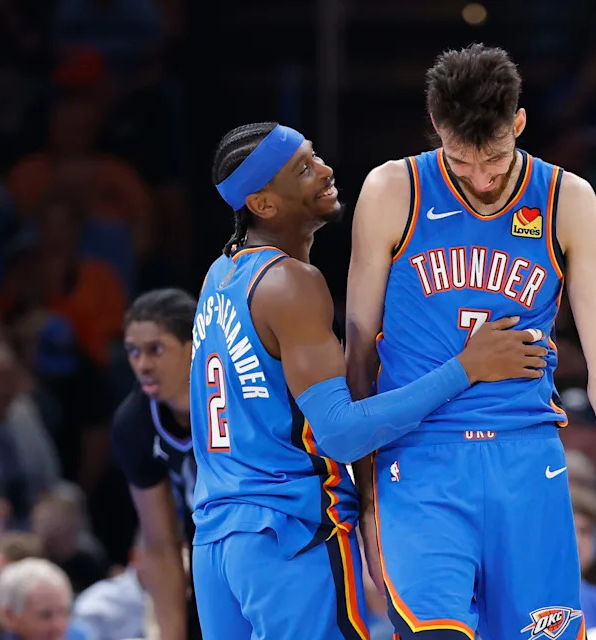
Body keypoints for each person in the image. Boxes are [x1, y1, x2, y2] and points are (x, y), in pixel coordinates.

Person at [346, 43, 596, 639]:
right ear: (437, 127)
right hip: (419, 461)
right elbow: (358, 357)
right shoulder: (392, 190)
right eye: (462, 164)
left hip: (528, 459)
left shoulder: (568, 199)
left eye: (494, 157)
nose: (483, 179)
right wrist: (365, 502)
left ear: (518, 123)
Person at [189, 121, 548, 639]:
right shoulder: (291, 282)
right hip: (287, 534)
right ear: (264, 204)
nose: (326, 170)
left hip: (217, 542)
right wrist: (467, 368)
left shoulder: (219, 277)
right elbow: (339, 431)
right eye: (304, 168)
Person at [111, 288, 201, 640]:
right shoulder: (133, 423)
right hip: (207, 552)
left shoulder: (243, 394)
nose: (142, 364)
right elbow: (161, 545)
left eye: (155, 349)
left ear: (194, 345)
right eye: (133, 351)